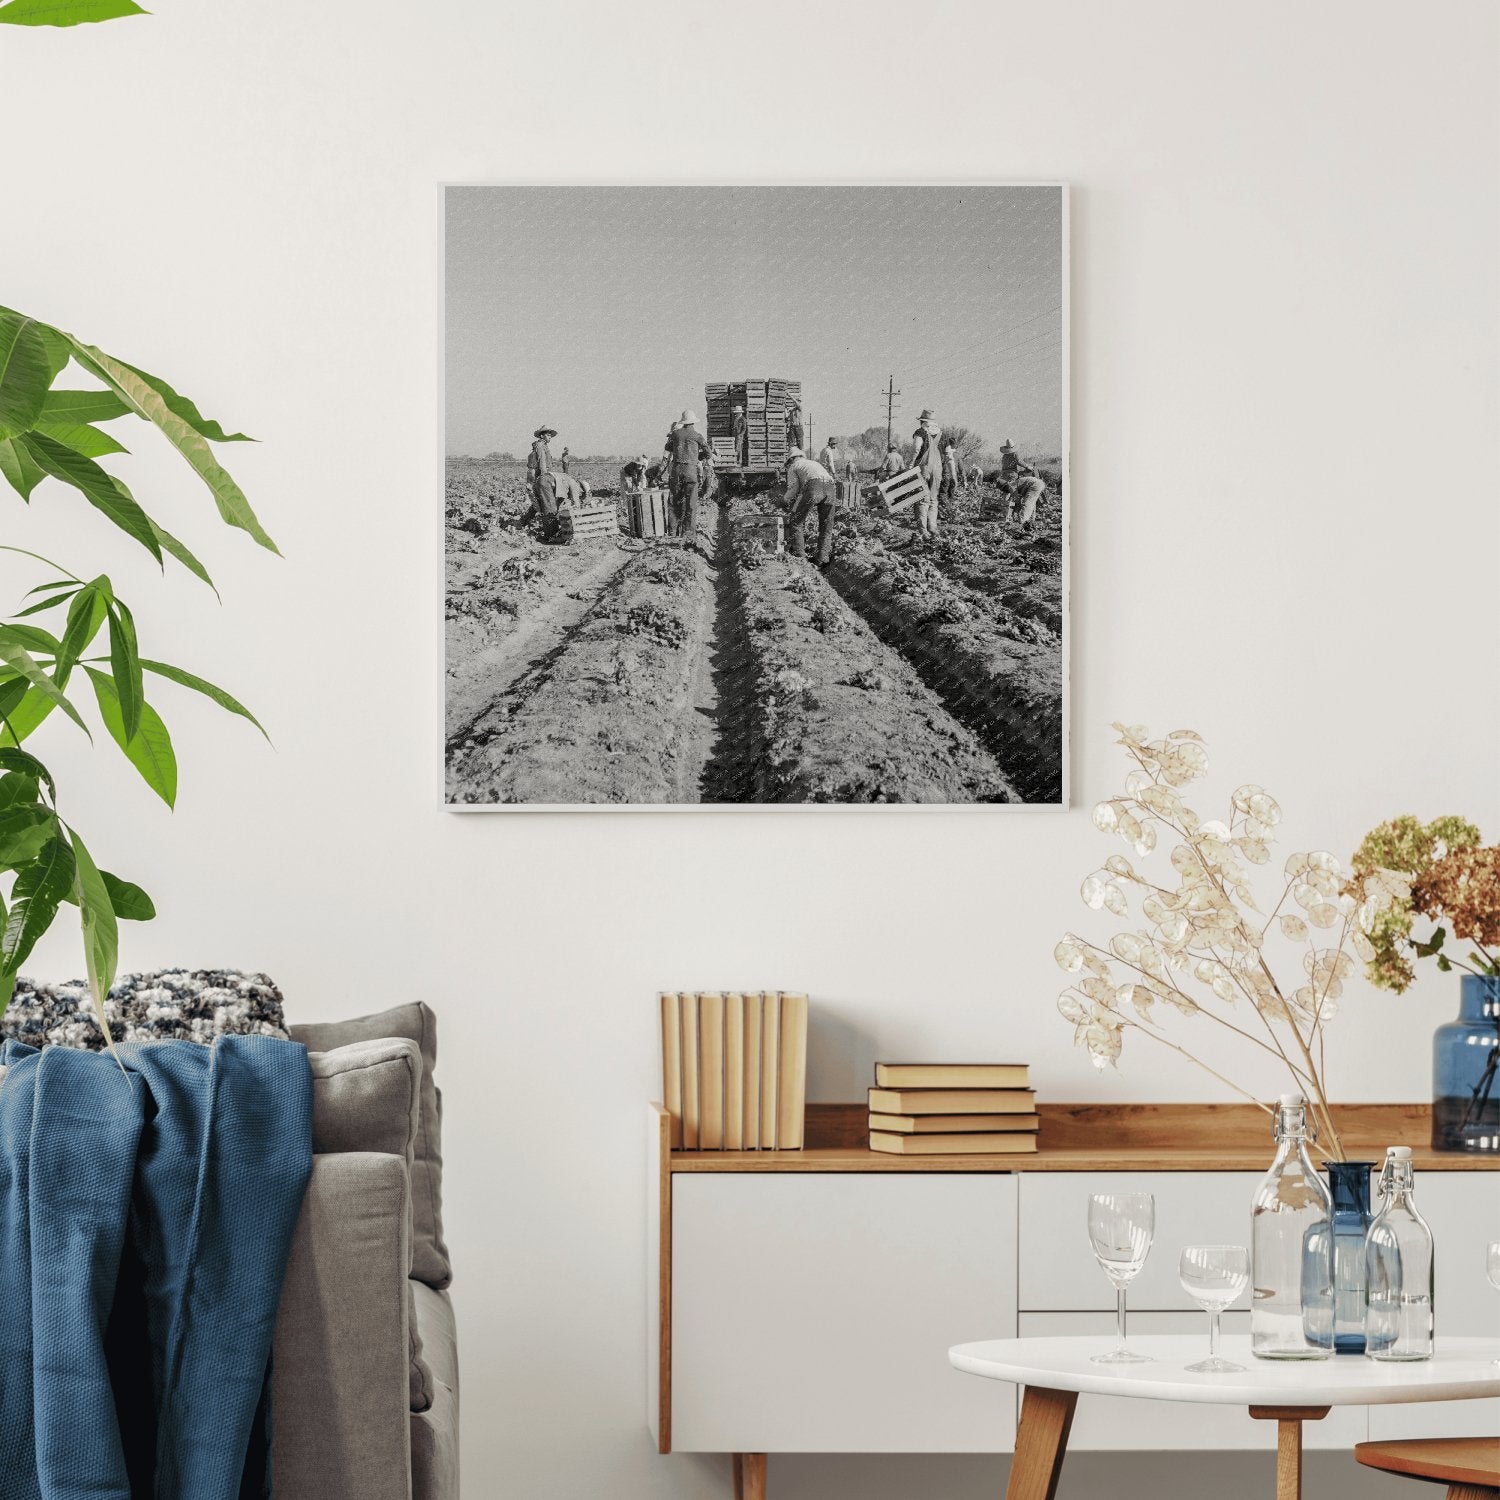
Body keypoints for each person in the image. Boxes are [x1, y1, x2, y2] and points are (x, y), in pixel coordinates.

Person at [782, 447, 837, 567]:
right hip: (831, 489)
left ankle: (800, 556)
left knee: (796, 521)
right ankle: (822, 558)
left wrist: (785, 500)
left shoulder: (794, 466)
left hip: (813, 487)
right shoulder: (814, 463)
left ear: (791, 459)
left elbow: (794, 488)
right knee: (826, 526)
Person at [665, 409, 712, 541]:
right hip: (690, 472)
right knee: (691, 503)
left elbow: (668, 447)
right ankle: (688, 533)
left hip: (676, 471)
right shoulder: (697, 436)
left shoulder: (675, 434)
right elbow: (708, 454)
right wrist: (696, 456)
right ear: (693, 422)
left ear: (683, 422)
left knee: (675, 501)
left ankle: (673, 531)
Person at [910, 408, 943, 538]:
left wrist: (911, 464)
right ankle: (933, 527)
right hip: (937, 469)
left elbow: (916, 449)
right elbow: (947, 453)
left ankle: (923, 530)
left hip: (924, 468)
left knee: (922, 499)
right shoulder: (940, 433)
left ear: (922, 421)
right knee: (933, 499)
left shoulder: (920, 432)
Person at [527, 425, 560, 539]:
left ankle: (522, 523)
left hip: (538, 478)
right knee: (548, 505)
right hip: (542, 478)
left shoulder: (541, 445)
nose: (550, 437)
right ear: (542, 435)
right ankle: (551, 533)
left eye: (551, 435)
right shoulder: (541, 446)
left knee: (540, 503)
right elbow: (542, 464)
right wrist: (545, 479)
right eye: (548, 435)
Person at [939, 436, 960, 504]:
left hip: (946, 475)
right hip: (952, 476)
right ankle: (951, 509)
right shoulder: (956, 454)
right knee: (951, 495)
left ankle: (946, 510)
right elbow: (961, 468)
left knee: (943, 494)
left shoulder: (943, 453)